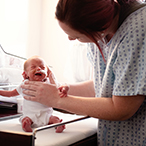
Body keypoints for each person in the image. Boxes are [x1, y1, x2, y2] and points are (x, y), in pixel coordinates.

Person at [21, 0, 146, 145]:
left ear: (99, 26)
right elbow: (103, 87)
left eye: (78, 36)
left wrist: (57, 99)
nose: (71, 39)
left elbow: (122, 108)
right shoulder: (100, 35)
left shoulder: (138, 30)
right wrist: (57, 89)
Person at [0, 56, 66, 133]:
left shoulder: (49, 83)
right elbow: (10, 93)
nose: (38, 69)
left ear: (47, 73)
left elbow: (60, 88)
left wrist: (65, 87)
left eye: (42, 67)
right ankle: (26, 124)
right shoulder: (24, 84)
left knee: (54, 119)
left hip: (46, 115)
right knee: (24, 119)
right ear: (26, 74)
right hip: (30, 115)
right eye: (33, 67)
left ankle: (59, 125)